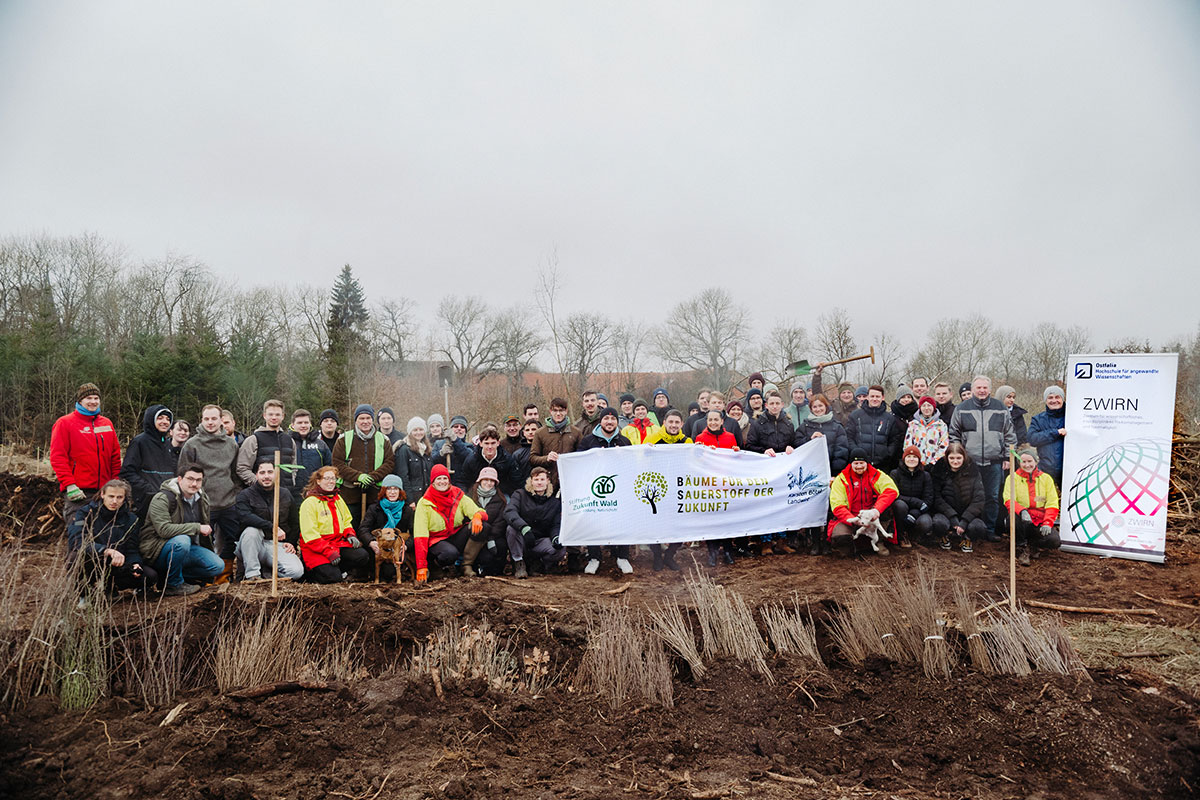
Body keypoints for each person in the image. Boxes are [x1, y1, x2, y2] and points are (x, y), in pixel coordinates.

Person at [139, 464, 224, 596]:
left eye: (198, 480)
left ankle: (167, 577)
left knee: (217, 566)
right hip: (157, 549)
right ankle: (174, 584)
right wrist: (196, 527)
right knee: (182, 541)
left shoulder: (202, 499)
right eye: (190, 479)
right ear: (180, 479)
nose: (194, 484)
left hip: (187, 548)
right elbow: (164, 530)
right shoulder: (163, 498)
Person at [948, 376, 1016, 540]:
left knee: (992, 497)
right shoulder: (962, 408)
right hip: (970, 463)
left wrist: (1007, 456)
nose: (982, 390)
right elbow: (954, 434)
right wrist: (959, 457)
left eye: (985, 387)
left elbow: (1009, 434)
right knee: (968, 497)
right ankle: (968, 530)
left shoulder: (1000, 408)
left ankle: (990, 530)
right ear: (972, 390)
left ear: (990, 389)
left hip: (994, 462)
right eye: (978, 387)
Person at [178, 404, 242, 572]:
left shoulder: (231, 444)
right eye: (206, 419)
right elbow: (183, 473)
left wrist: (235, 493)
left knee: (234, 538)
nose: (210, 422)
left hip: (228, 502)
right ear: (201, 420)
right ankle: (207, 574)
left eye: (214, 418)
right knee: (203, 541)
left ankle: (225, 572)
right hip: (203, 503)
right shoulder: (192, 445)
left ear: (221, 420)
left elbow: (235, 473)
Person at [67, 479, 158, 595]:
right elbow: (77, 542)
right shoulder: (85, 513)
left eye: (119, 497)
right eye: (111, 496)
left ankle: (110, 587)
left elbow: (132, 549)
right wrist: (105, 550)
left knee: (150, 576)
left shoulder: (131, 519)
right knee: (76, 557)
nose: (114, 501)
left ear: (124, 498)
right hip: (95, 561)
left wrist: (135, 563)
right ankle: (84, 594)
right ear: (102, 495)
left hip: (118, 565)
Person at [50, 382, 122, 522]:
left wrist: (114, 483)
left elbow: (115, 455)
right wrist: (69, 484)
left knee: (105, 532)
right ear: (80, 400)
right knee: (79, 531)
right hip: (79, 491)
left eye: (96, 398)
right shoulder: (65, 423)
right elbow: (58, 457)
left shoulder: (107, 423)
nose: (93, 402)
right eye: (88, 398)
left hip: (104, 491)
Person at [577, 407, 634, 575]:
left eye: (613, 419)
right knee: (594, 520)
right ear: (600, 421)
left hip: (619, 489)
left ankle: (622, 556)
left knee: (622, 520)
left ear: (617, 422)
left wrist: (622, 457)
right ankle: (594, 557)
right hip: (596, 489)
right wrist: (593, 456)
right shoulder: (588, 441)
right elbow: (578, 461)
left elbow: (632, 465)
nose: (609, 422)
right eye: (606, 419)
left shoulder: (624, 442)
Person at [412, 463, 487, 581]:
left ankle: (466, 565)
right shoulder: (424, 502)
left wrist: (477, 516)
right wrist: (421, 566)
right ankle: (434, 567)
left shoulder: (457, 494)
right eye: (438, 479)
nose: (442, 482)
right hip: (435, 541)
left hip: (454, 535)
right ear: (433, 482)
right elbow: (420, 536)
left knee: (484, 527)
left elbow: (478, 511)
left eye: (445, 478)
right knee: (450, 553)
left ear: (449, 480)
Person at [745, 390, 797, 555]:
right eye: (771, 403)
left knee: (783, 505)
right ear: (766, 405)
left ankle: (782, 542)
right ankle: (766, 544)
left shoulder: (789, 424)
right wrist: (763, 451)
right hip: (764, 472)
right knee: (766, 507)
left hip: (783, 473)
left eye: (778, 403)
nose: (775, 406)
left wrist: (791, 447)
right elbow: (749, 446)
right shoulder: (757, 424)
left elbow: (794, 443)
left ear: (782, 405)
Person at [298, 466, 372, 583]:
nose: (331, 482)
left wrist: (350, 534)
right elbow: (310, 534)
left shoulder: (337, 498)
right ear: (318, 481)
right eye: (326, 478)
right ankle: (312, 573)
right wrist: (328, 551)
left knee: (362, 556)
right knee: (333, 578)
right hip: (316, 547)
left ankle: (335, 569)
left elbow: (346, 520)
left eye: (333, 478)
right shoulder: (309, 503)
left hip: (336, 543)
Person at [235, 460, 305, 582]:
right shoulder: (245, 495)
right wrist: (272, 527)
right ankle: (253, 576)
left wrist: (291, 542)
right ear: (256, 475)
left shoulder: (284, 493)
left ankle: (268, 575)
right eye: (262, 472)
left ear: (276, 473)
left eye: (270, 472)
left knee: (296, 571)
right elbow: (245, 516)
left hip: (277, 544)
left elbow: (294, 521)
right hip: (253, 544)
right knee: (252, 531)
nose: (266, 476)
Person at [797, 393, 849, 555]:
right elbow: (797, 444)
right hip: (812, 475)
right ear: (811, 409)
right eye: (815, 407)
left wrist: (833, 472)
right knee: (813, 507)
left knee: (828, 508)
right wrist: (810, 440)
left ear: (826, 406)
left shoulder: (836, 426)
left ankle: (826, 540)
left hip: (831, 475)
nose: (818, 409)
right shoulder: (805, 426)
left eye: (821, 406)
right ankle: (815, 542)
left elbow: (842, 450)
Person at [332, 404, 396, 529]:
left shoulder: (383, 439)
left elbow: (389, 463)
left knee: (374, 530)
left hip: (375, 495)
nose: (365, 421)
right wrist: (358, 476)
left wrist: (372, 477)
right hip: (350, 495)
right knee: (350, 529)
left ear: (373, 420)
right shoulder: (344, 439)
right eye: (361, 418)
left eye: (368, 418)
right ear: (356, 420)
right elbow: (337, 463)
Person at [827, 448, 899, 557]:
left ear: (867, 463)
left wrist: (876, 510)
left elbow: (892, 490)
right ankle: (853, 546)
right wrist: (853, 520)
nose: (859, 466)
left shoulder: (876, 474)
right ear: (851, 464)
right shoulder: (841, 479)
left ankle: (879, 541)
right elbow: (837, 506)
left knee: (886, 508)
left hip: (871, 517)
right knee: (841, 540)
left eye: (862, 463)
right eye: (856, 463)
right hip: (851, 517)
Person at [643, 409, 690, 571]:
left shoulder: (687, 441)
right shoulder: (653, 439)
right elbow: (640, 461)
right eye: (671, 422)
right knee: (654, 524)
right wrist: (645, 451)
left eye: (677, 422)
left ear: (682, 424)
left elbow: (694, 463)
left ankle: (670, 556)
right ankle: (657, 555)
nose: (674, 425)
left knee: (681, 524)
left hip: (678, 489)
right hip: (657, 489)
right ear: (664, 423)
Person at [1003, 447, 1062, 566]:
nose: (1027, 465)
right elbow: (1008, 500)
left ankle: (1033, 545)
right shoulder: (1012, 478)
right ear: (1019, 463)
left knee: (1054, 540)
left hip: (1039, 520)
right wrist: (1022, 511)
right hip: (1022, 519)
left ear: (1036, 461)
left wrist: (1047, 523)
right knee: (1012, 518)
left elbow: (1052, 503)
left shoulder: (1046, 479)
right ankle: (1021, 548)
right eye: (1023, 462)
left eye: (1030, 461)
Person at [120, 405, 179, 521]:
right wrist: (149, 490)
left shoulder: (167, 444)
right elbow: (127, 472)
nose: (165, 422)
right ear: (151, 419)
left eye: (168, 419)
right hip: (145, 501)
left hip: (168, 499)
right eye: (160, 418)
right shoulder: (139, 442)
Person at [504, 466, 565, 578]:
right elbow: (509, 512)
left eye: (542, 479)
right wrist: (524, 528)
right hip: (522, 538)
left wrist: (556, 536)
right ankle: (519, 563)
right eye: (536, 480)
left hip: (539, 542)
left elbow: (555, 524)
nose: (539, 483)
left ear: (548, 481)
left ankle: (539, 563)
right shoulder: (520, 494)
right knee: (511, 529)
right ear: (531, 481)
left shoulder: (554, 502)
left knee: (560, 549)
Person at [931, 443, 986, 552]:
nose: (955, 461)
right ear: (947, 458)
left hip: (967, 514)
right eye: (951, 458)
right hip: (946, 513)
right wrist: (952, 517)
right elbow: (936, 498)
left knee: (979, 527)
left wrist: (965, 520)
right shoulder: (939, 470)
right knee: (938, 523)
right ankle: (944, 537)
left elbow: (979, 499)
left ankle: (967, 539)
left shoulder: (973, 471)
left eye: (958, 458)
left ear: (964, 457)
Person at [236, 399, 298, 489]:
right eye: (270, 414)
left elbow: (294, 466)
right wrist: (260, 484)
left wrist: (291, 481)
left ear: (283, 416)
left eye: (277, 414)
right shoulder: (253, 439)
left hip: (286, 493)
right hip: (260, 496)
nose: (274, 417)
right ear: (264, 415)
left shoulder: (289, 440)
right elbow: (242, 468)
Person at [361, 474, 409, 580]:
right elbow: (363, 529)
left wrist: (405, 546)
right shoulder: (374, 508)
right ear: (384, 491)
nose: (392, 492)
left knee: (389, 573)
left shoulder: (406, 510)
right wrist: (371, 542)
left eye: (395, 489)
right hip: (379, 548)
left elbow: (414, 532)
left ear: (400, 491)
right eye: (389, 489)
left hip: (396, 548)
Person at [463, 467, 509, 577]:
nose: (488, 483)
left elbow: (500, 523)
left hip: (492, 537)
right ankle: (467, 564)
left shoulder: (500, 500)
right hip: (474, 536)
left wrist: (490, 538)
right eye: (485, 480)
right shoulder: (469, 497)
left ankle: (495, 569)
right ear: (480, 481)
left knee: (498, 548)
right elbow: (465, 517)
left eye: (491, 480)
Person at [845, 386, 903, 471]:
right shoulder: (856, 416)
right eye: (872, 396)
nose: (874, 399)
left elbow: (894, 440)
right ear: (867, 397)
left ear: (882, 398)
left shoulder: (889, 418)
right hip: (860, 465)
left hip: (882, 465)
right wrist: (856, 452)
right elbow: (849, 437)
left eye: (877, 396)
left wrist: (887, 453)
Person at [529, 397, 580, 487]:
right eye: (555, 410)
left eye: (561, 410)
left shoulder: (576, 432)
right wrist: (546, 458)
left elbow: (581, 456)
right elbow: (532, 458)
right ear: (550, 411)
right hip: (548, 482)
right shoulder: (540, 433)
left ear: (566, 411)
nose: (558, 413)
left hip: (570, 481)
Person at [889, 446, 934, 548]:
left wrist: (914, 513)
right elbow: (895, 495)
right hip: (903, 508)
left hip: (919, 511)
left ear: (919, 459)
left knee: (926, 523)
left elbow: (929, 499)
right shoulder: (895, 473)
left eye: (915, 457)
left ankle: (915, 535)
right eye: (909, 456)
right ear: (904, 458)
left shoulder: (925, 475)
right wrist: (916, 502)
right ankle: (902, 534)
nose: (911, 459)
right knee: (899, 505)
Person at [456, 427, 520, 493]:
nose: (490, 447)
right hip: (477, 493)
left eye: (493, 443)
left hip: (501, 493)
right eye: (486, 443)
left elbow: (516, 482)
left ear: (498, 443)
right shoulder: (472, 460)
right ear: (480, 444)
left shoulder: (507, 459)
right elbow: (463, 481)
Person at [1027, 386, 1067, 486]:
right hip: (1045, 470)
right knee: (1042, 499)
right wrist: (1055, 433)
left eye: (1057, 397)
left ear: (1063, 399)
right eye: (1050, 398)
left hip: (1068, 471)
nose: (1054, 401)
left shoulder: (1072, 417)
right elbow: (1032, 439)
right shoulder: (1038, 419)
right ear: (1045, 400)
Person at [289, 408, 333, 499]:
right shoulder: (286, 443)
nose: (303, 425)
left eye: (306, 422)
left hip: (316, 493)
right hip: (292, 493)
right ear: (293, 425)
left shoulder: (321, 444)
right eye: (300, 423)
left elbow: (329, 467)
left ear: (310, 424)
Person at [394, 416, 435, 501]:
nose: (418, 432)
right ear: (410, 432)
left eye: (421, 429)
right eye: (415, 430)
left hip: (427, 495)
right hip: (413, 496)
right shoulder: (404, 449)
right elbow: (403, 476)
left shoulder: (427, 449)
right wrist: (409, 499)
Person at [904, 396, 949, 467]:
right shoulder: (913, 424)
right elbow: (907, 445)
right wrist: (914, 460)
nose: (926, 408)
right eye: (924, 406)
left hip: (935, 465)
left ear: (933, 407)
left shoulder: (941, 425)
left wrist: (934, 462)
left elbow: (944, 446)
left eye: (929, 405)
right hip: (916, 465)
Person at [510, 419, 540, 485]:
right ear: (523, 433)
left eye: (533, 429)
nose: (530, 432)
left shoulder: (545, 450)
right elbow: (515, 476)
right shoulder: (517, 454)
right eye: (527, 430)